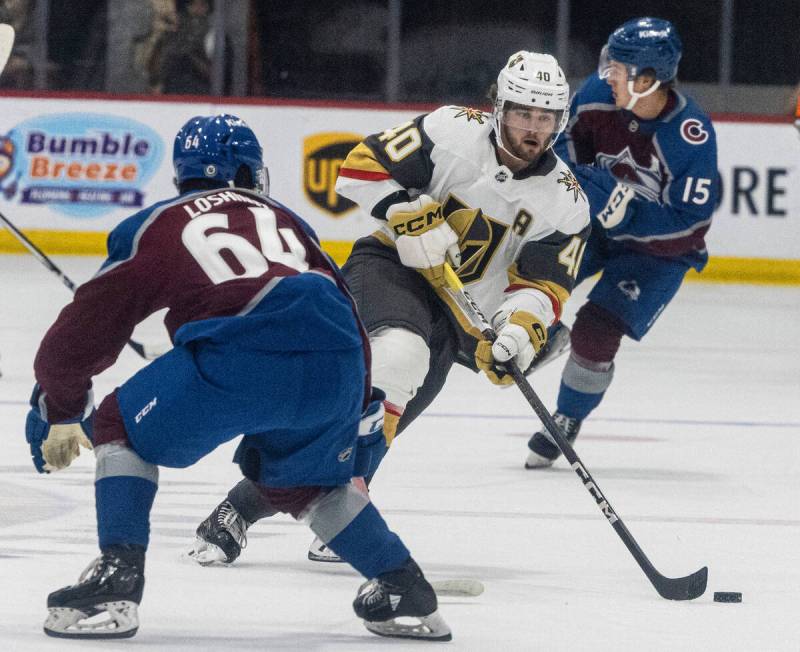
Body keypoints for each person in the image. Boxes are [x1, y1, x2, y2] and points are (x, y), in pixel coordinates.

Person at [24, 114, 451, 642]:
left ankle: (117, 578)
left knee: (118, 425)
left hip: (244, 352)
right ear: (251, 174)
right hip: (340, 355)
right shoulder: (288, 218)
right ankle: (403, 587)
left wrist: (60, 405)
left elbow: (85, 328)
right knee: (308, 481)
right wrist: (356, 402)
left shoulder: (160, 222)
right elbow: (337, 297)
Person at [190, 51, 591, 564]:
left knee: (372, 429)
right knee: (397, 361)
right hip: (390, 268)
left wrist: (516, 330)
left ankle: (248, 510)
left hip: (460, 314)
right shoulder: (451, 130)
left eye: (544, 117)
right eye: (522, 114)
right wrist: (405, 211)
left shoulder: (567, 201)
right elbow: (358, 166)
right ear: (499, 107)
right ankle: (309, 514)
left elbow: (541, 286)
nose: (532, 129)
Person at [525, 17, 719, 468]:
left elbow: (691, 226)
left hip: (658, 254)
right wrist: (591, 187)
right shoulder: (596, 97)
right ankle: (547, 334)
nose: (606, 73)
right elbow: (564, 148)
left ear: (648, 80)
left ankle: (568, 417)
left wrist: (628, 210)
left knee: (595, 329)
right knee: (536, 277)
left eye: (619, 67)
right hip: (596, 229)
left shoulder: (692, 135)